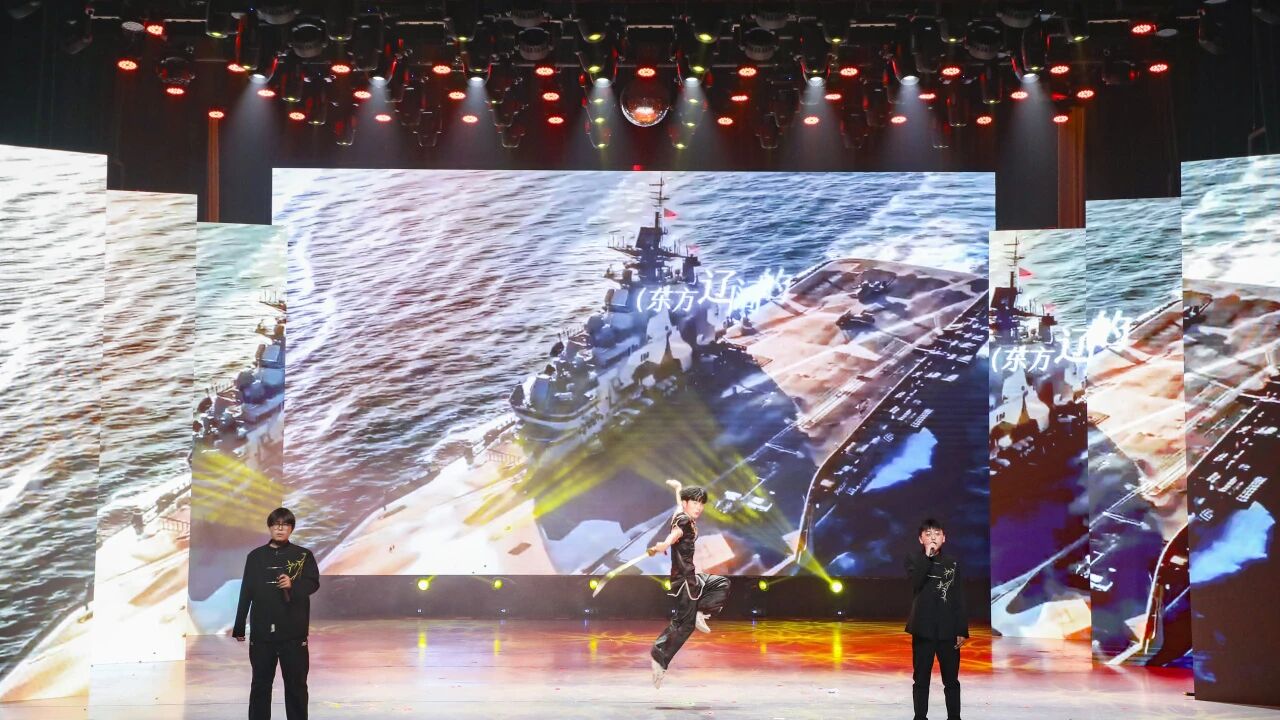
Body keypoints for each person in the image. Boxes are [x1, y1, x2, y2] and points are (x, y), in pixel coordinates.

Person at [232, 507, 320, 720]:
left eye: (285, 525)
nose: (280, 529)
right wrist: (239, 625)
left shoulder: (303, 555)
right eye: (276, 524)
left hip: (294, 633)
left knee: (297, 686)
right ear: (270, 527)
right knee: (260, 685)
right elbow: (246, 591)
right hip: (262, 634)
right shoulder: (255, 557)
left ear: (291, 529)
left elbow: (313, 583)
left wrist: (292, 585)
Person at [647, 483, 730, 688]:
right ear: (686, 504)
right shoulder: (683, 520)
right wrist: (665, 545)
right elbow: (675, 534)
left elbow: (678, 506)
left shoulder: (681, 513)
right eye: (695, 503)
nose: (699, 507)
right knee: (684, 625)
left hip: (691, 578)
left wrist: (678, 488)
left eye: (701, 503)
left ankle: (701, 611)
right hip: (684, 581)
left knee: (721, 582)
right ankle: (659, 656)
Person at [905, 518, 968, 720]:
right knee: (921, 679)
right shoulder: (914, 559)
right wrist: (927, 556)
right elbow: (915, 583)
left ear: (944, 538)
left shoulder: (952, 563)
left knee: (951, 681)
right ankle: (920, 717)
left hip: (948, 630)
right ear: (920, 539)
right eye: (928, 534)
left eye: (937, 534)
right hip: (923, 629)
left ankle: (954, 717)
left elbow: (958, 596)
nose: (933, 538)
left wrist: (961, 629)